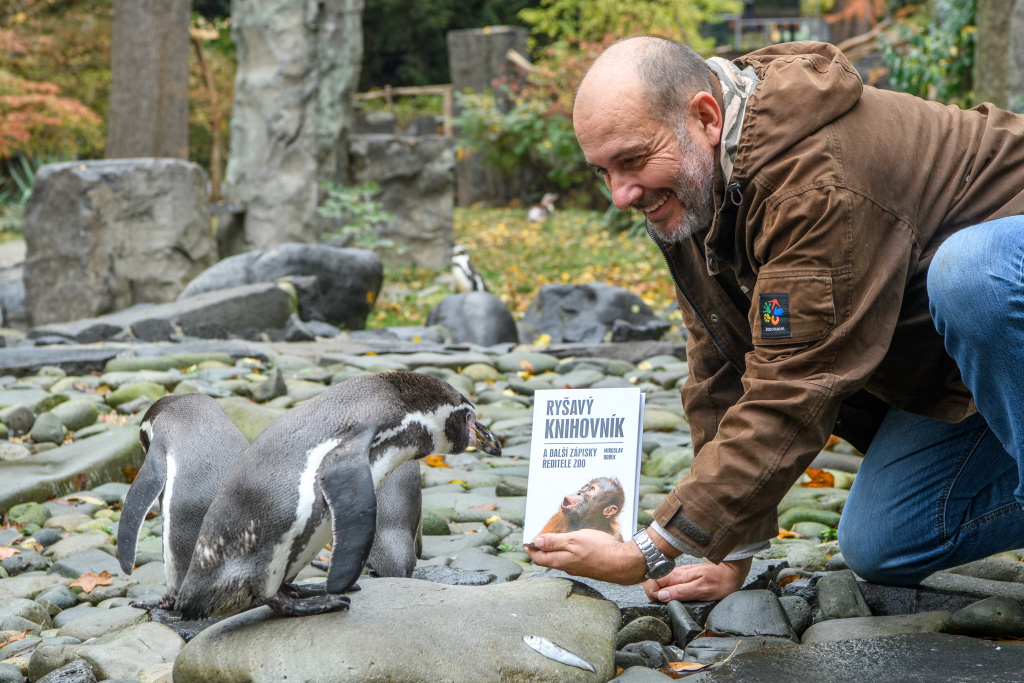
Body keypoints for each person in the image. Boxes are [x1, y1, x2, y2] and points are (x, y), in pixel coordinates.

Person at [525, 35, 1024, 604]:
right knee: (884, 544)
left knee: (971, 275)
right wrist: (724, 547)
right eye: (603, 171)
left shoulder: (814, 182)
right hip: (985, 364)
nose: (620, 194)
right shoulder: (694, 185)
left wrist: (652, 546)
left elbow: (796, 381)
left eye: (632, 160)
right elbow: (721, 364)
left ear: (705, 118)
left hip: (1006, 281)